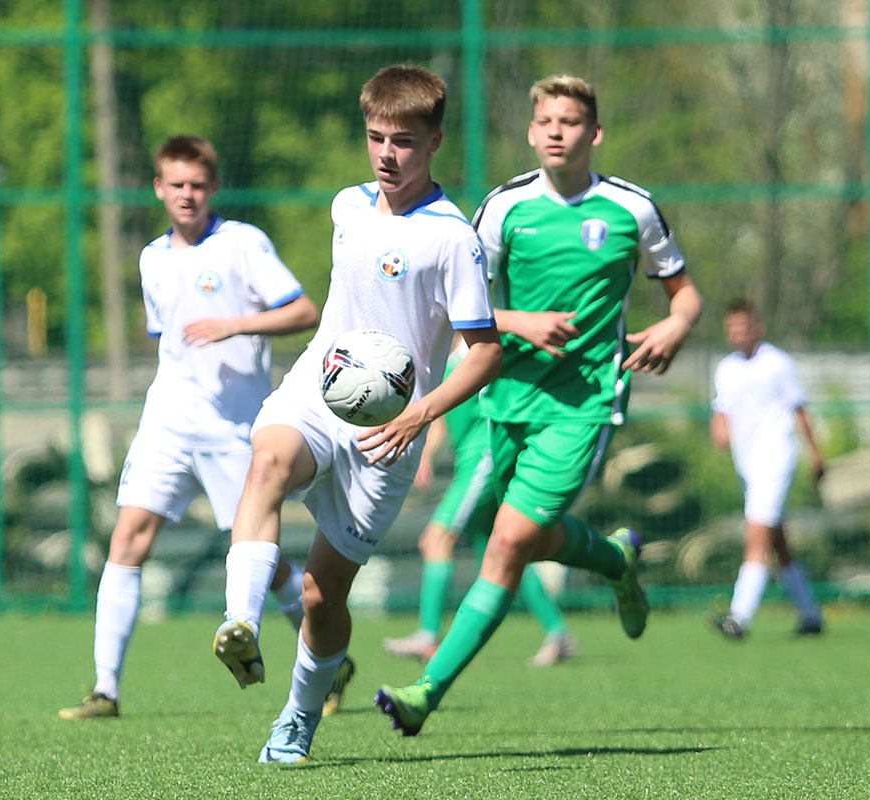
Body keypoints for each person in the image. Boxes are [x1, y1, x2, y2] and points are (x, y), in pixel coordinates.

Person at [375, 73, 703, 737]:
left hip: (584, 404)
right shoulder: (503, 208)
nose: (557, 131)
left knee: (509, 541)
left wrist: (676, 325)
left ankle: (424, 694)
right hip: (504, 397)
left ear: (595, 133)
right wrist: (520, 323)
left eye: (571, 122)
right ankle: (615, 560)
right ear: (531, 132)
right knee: (518, 539)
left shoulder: (630, 209)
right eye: (546, 121)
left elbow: (685, 294)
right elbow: (453, 303)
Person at [210, 64, 502, 764]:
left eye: (403, 140)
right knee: (269, 461)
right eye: (375, 138)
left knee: (320, 594)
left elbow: (485, 351)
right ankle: (241, 623)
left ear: (434, 140)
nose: (386, 154)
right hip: (319, 389)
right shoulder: (347, 206)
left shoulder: (452, 238)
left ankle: (297, 719)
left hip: (390, 433)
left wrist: (419, 417)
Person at [59, 135, 320, 720]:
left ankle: (326, 655)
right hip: (169, 423)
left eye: (197, 185)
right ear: (158, 188)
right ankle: (106, 690)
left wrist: (236, 325)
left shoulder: (243, 244)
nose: (187, 195)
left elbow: (305, 311)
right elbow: (168, 341)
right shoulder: (152, 257)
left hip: (235, 428)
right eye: (176, 185)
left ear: (213, 189)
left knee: (263, 558)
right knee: (128, 539)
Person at [382, 337, 577, 667]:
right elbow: (442, 420)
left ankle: (429, 636)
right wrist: (427, 455)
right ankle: (558, 634)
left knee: (435, 540)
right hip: (468, 462)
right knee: (503, 551)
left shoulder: (483, 348)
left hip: (485, 458)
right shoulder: (441, 355)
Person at [706, 298, 826, 639]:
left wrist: (817, 455)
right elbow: (722, 409)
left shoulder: (777, 363)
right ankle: (811, 616)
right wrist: (718, 428)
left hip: (776, 459)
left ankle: (738, 618)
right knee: (778, 542)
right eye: (732, 329)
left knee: (755, 536)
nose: (738, 334)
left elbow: (799, 409)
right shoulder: (726, 368)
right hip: (747, 465)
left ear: (756, 327)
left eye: (743, 327)